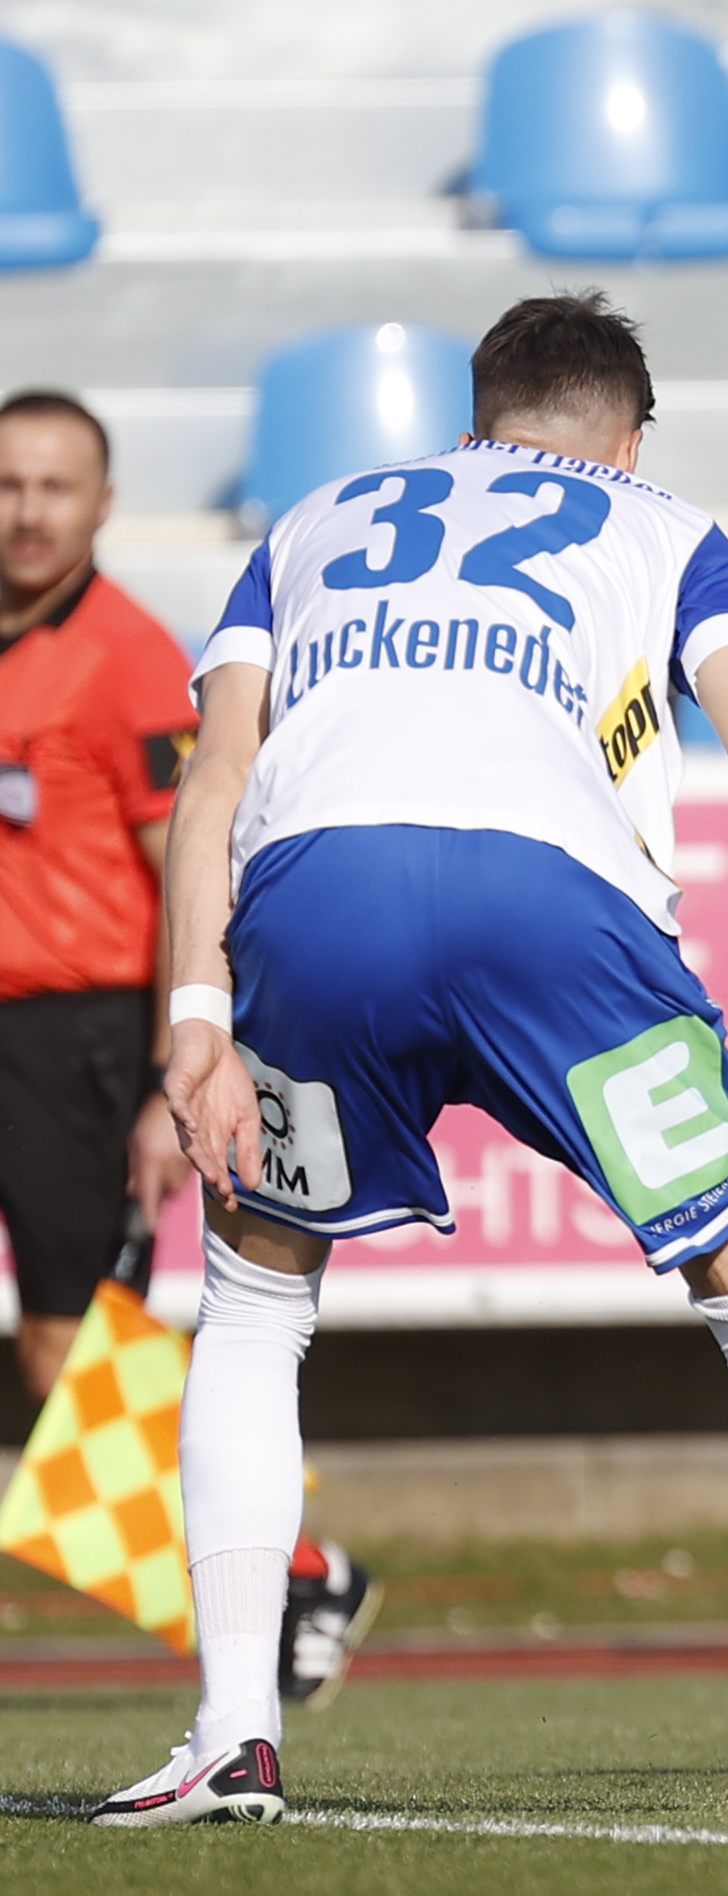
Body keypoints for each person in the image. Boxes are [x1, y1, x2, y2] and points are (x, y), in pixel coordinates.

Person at [90, 291, 728, 1826]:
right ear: (631, 438)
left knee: (257, 1313)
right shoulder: (670, 527)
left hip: (321, 903)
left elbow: (216, 786)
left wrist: (194, 1020)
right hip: (553, 911)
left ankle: (233, 1735)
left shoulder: (314, 520)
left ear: (469, 429)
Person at [0, 391, 378, 1705]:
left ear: (101, 506)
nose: (28, 511)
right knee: (56, 1374)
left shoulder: (119, 659)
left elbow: (188, 861)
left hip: (78, 1036)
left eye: (55, 487)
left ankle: (299, 1566)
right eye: (9, 483)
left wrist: (179, 1059)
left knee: (68, 1359)